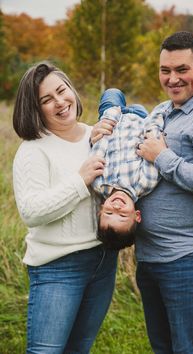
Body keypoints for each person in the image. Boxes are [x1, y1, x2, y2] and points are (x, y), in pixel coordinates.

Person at [91, 31, 193, 353]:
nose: (172, 79)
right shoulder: (164, 110)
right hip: (153, 256)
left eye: (181, 69)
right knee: (163, 347)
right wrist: (99, 133)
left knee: (189, 348)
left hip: (192, 255)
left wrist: (164, 157)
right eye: (165, 70)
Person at [12, 61, 118, 354]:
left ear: (72, 90)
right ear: (35, 109)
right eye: (47, 99)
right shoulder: (33, 150)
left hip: (102, 261)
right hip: (58, 267)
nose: (60, 102)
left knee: (79, 349)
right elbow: (31, 211)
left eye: (62, 90)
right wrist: (80, 180)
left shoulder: (95, 135)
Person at [91, 88, 164, 250]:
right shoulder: (145, 183)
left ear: (101, 210)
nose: (116, 208)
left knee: (112, 91)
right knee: (140, 101)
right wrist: (156, 117)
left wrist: (112, 115)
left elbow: (99, 146)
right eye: (123, 215)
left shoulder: (98, 182)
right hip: (139, 117)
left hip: (112, 116)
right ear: (136, 215)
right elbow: (151, 140)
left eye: (109, 213)